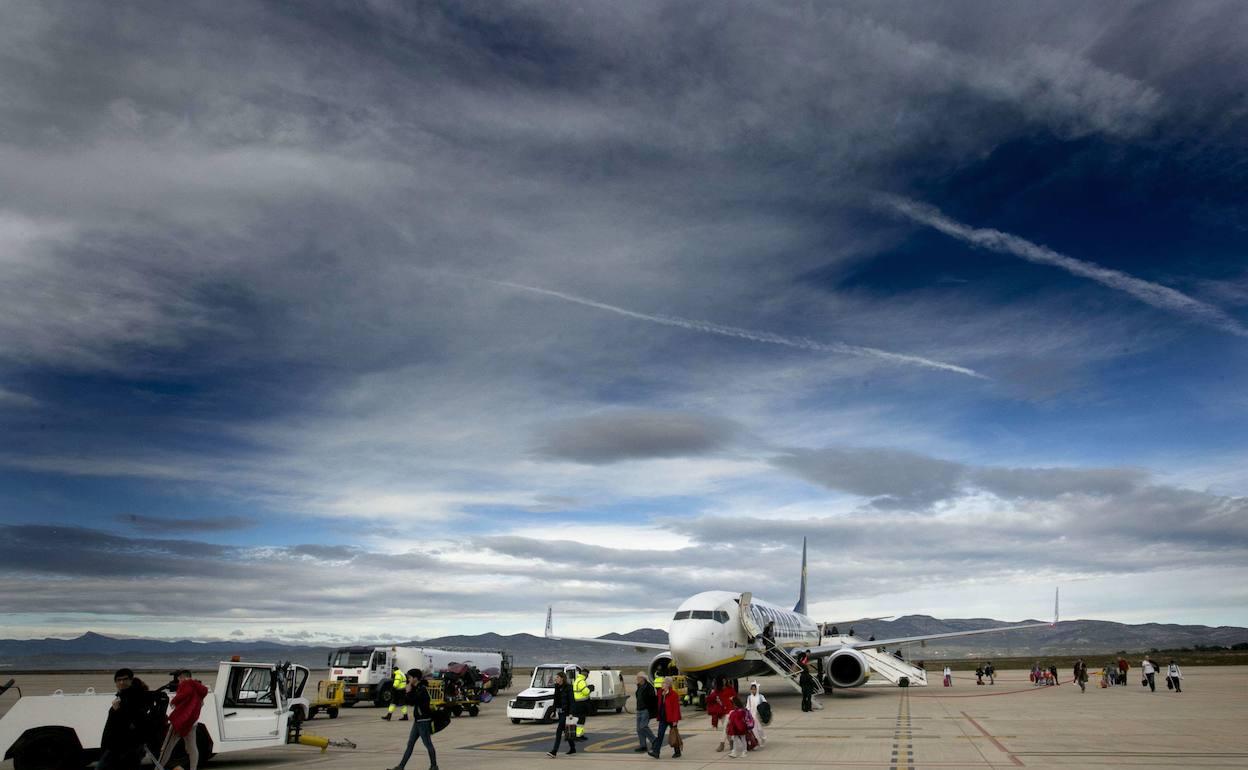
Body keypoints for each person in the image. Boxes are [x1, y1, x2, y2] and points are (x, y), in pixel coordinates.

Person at [97, 668, 155, 770]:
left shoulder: (132, 698)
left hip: (122, 746)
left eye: (125, 679)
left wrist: (117, 710)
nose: (122, 682)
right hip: (123, 746)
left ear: (131, 680)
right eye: (119, 680)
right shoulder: (125, 696)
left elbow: (131, 722)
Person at [157, 670, 208, 770]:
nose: (179, 682)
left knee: (167, 747)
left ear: (182, 677)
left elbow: (184, 694)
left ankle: (158, 767)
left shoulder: (186, 683)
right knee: (192, 748)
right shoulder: (199, 689)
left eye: (179, 679)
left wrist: (174, 700)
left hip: (181, 721)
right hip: (192, 722)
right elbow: (201, 704)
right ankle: (193, 768)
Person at [389, 669, 438, 770]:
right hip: (418, 721)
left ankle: (434, 766)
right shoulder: (417, 688)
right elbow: (411, 701)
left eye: (410, 677)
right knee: (410, 744)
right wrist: (409, 690)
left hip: (423, 721)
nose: (408, 679)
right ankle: (401, 766)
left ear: (415, 678)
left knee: (428, 744)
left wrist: (408, 691)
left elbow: (412, 701)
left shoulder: (422, 689)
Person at [650, 676, 682, 758]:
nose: (662, 684)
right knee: (660, 735)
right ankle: (656, 752)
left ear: (668, 684)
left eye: (664, 683)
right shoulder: (660, 693)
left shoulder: (674, 694)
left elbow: (676, 708)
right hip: (663, 718)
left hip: (671, 718)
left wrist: (675, 720)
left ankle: (677, 751)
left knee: (674, 734)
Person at [546, 671, 577, 757]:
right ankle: (573, 748)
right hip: (560, 713)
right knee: (566, 731)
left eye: (557, 677)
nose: (556, 679)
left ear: (562, 678)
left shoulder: (569, 687)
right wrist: (553, 711)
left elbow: (572, 701)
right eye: (556, 677)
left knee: (559, 730)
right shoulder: (557, 687)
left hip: (566, 713)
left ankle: (554, 751)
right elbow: (555, 700)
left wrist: (571, 713)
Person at [711, 677, 737, 751]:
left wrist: (732, 698)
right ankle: (731, 743)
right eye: (722, 680)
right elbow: (711, 699)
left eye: (725, 680)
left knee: (725, 728)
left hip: (730, 710)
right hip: (722, 712)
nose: (724, 682)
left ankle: (722, 744)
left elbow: (735, 697)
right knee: (727, 729)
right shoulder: (717, 690)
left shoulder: (730, 688)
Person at [633, 672, 657, 753]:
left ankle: (654, 740)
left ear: (642, 678)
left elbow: (653, 699)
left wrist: (650, 709)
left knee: (643, 726)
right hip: (639, 710)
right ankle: (643, 745)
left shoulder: (649, 687)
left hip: (645, 710)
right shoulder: (639, 686)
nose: (637, 680)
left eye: (638, 678)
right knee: (639, 729)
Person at [572, 667, 592, 740]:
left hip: (577, 703)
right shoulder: (581, 681)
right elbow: (586, 692)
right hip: (581, 704)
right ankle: (578, 735)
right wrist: (590, 688)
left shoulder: (577, 680)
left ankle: (580, 734)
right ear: (586, 675)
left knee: (580, 720)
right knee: (581, 720)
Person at [745, 681, 767, 748]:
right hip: (752, 716)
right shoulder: (749, 697)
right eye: (752, 689)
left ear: (757, 689)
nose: (753, 690)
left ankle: (763, 738)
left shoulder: (761, 696)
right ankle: (757, 742)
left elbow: (765, 704)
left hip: (759, 716)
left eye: (754, 689)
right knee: (754, 730)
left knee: (760, 729)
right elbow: (748, 706)